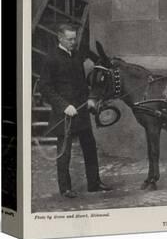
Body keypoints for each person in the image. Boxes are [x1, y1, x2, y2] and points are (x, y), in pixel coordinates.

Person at [39, 23, 112, 198]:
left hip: (82, 111)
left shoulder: (77, 56)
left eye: (74, 39)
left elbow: (82, 83)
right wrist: (64, 106)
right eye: (70, 39)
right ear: (60, 37)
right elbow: (45, 88)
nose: (73, 42)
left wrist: (90, 99)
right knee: (64, 152)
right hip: (64, 114)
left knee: (90, 147)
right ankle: (65, 189)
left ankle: (94, 183)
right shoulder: (51, 59)